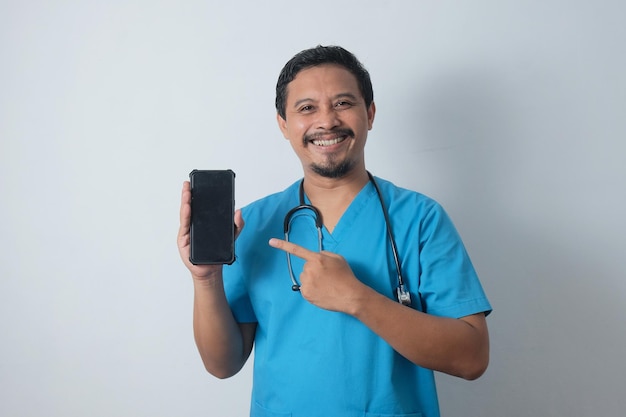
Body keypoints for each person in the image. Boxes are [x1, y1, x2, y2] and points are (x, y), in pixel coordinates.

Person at [177, 45, 491, 417]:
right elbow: (222, 364)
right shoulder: (253, 224)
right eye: (307, 108)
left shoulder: (420, 219)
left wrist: (357, 297)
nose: (326, 121)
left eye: (343, 103)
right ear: (283, 124)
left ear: (369, 113)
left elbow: (472, 358)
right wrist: (207, 279)